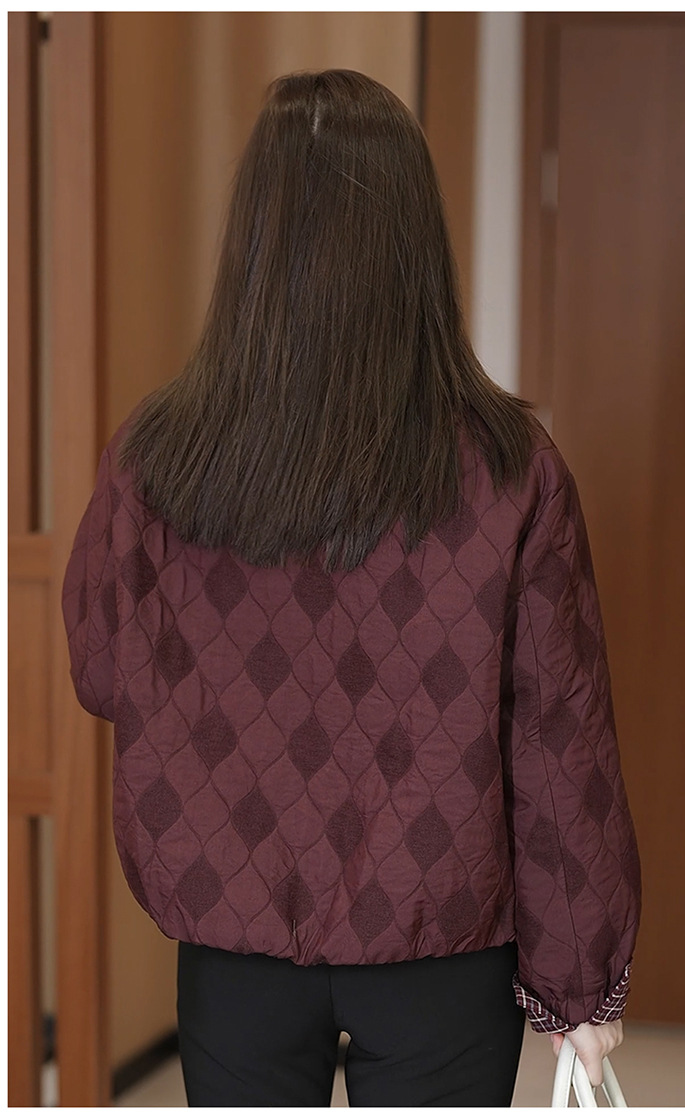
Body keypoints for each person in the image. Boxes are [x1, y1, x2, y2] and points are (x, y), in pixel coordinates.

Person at [61, 68, 641, 1106]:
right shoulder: (512, 468)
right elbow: (559, 743)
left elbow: (102, 669)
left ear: (253, 242)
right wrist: (582, 982)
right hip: (442, 946)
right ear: (415, 245)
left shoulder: (155, 457)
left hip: (232, 936)